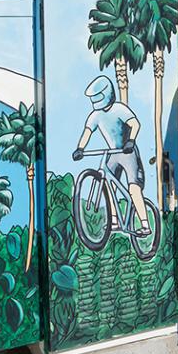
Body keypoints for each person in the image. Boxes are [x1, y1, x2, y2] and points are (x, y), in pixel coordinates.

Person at [73, 75, 151, 236]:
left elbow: (135, 124)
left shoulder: (119, 109)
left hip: (127, 152)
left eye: (97, 96)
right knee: (108, 186)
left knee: (134, 188)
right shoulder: (95, 115)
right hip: (112, 153)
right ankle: (114, 220)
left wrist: (131, 141)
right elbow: (87, 132)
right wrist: (80, 148)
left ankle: (145, 225)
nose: (95, 100)